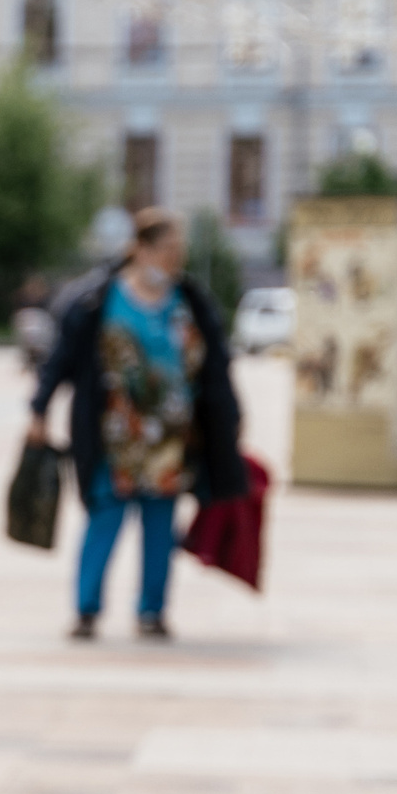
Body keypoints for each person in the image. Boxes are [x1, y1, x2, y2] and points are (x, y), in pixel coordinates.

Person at [28, 206, 248, 640]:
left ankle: (152, 611)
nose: (174, 259)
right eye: (166, 249)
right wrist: (39, 409)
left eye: (178, 251)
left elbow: (217, 366)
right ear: (139, 249)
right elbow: (61, 359)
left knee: (160, 527)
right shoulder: (97, 300)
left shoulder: (189, 300)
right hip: (113, 434)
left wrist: (231, 418)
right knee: (104, 518)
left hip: (171, 438)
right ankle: (86, 609)